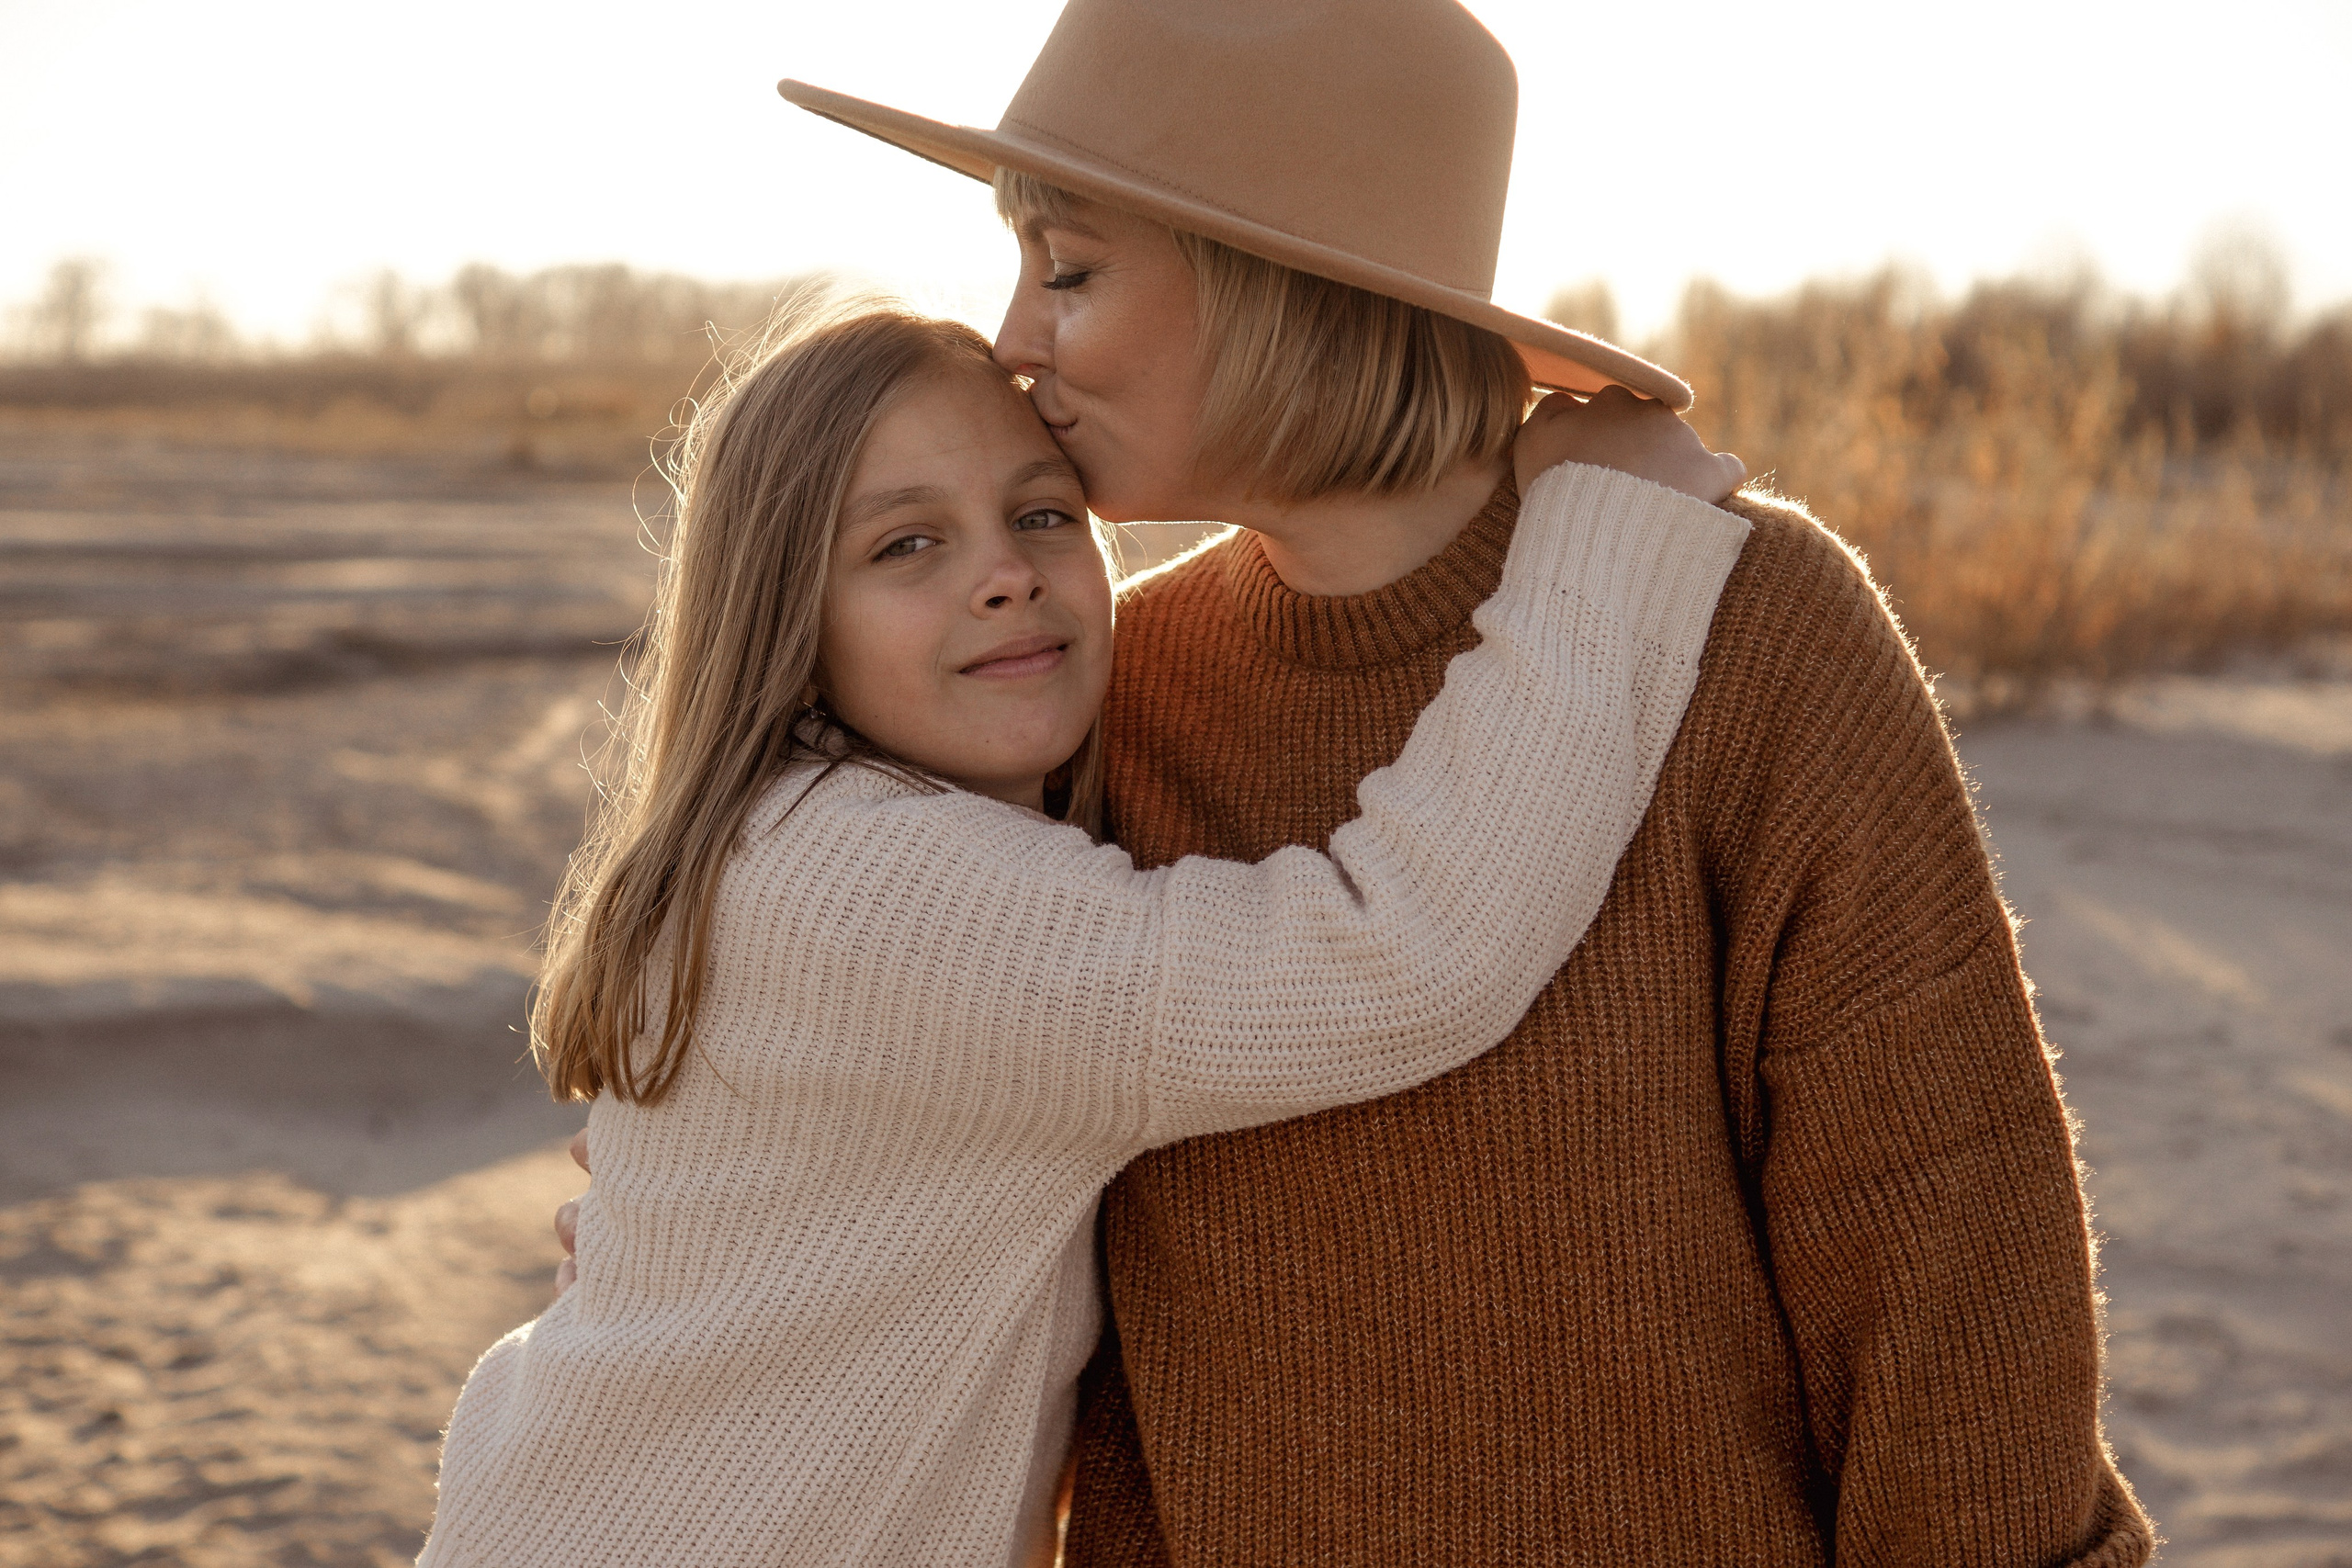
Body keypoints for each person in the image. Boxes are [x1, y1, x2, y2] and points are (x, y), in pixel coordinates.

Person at [731, 1, 2154, 1562]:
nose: (1014, 340)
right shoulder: (1105, 691)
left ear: (1285, 280)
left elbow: (1946, 1234)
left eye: (1068, 269)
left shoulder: (1740, 620)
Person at [422, 299, 1749, 1567]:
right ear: (786, 620)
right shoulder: (874, 887)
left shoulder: (801, 844)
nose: (1005, 575)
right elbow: (1403, 953)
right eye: (905, 545)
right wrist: (1605, 535)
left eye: (1043, 514)